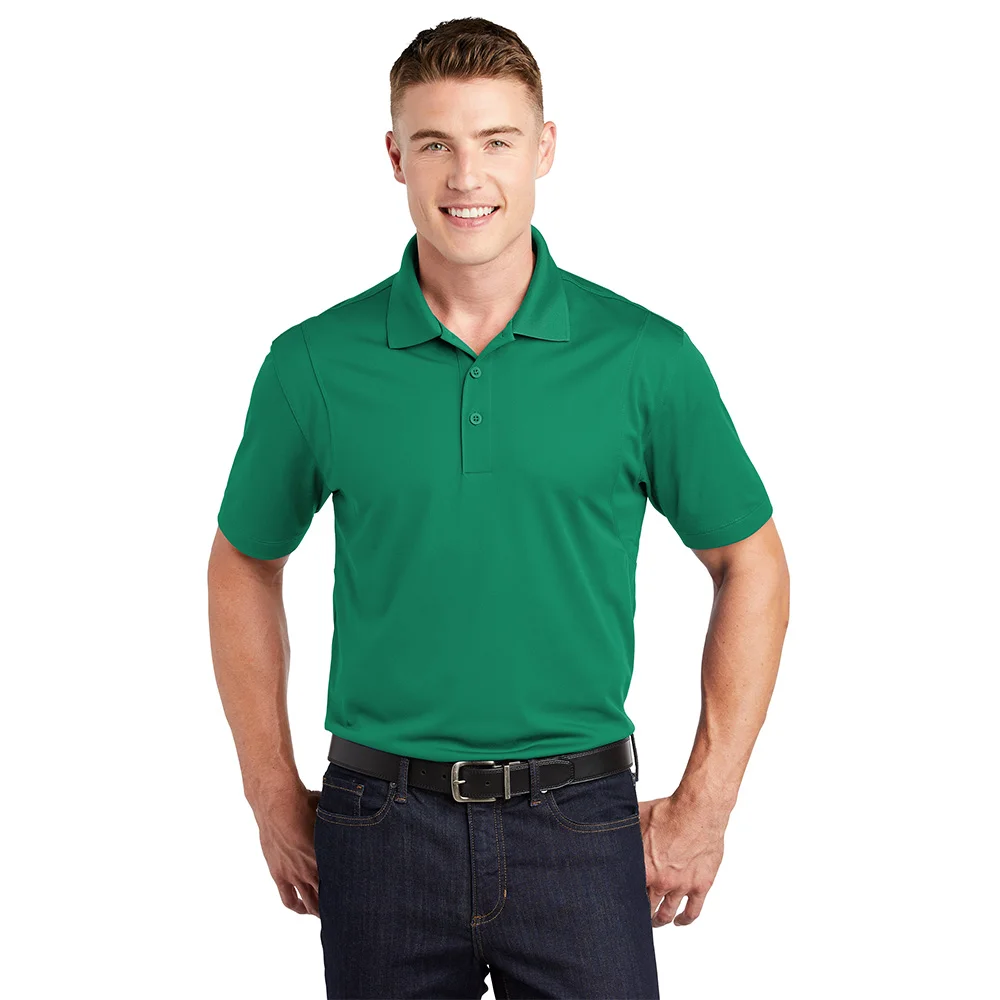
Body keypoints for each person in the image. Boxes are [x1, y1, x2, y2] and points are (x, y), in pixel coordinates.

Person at [207, 16, 790, 1000]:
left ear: (544, 148)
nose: (466, 176)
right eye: (435, 143)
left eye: (496, 140)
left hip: (581, 817)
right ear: (395, 156)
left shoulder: (644, 359)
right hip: (379, 821)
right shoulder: (313, 363)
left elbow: (753, 564)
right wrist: (270, 793)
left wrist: (707, 802)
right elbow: (242, 562)